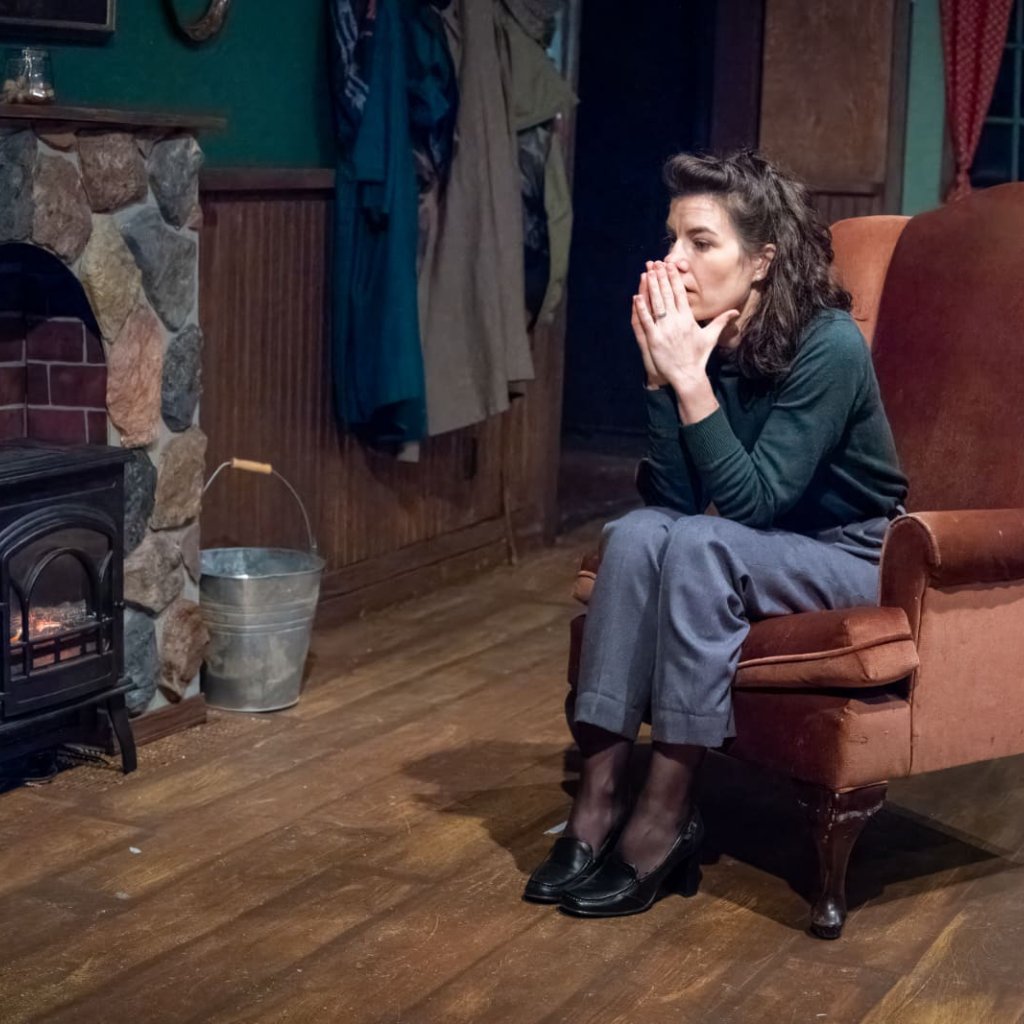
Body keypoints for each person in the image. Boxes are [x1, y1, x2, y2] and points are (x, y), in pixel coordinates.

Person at [524, 150, 908, 917]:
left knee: (702, 545)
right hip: (757, 541)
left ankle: (667, 816)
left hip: (853, 551)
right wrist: (663, 382)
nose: (674, 262)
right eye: (673, 240)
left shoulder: (828, 345)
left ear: (762, 259)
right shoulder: (705, 335)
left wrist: (688, 382)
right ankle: (599, 800)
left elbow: (750, 506)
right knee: (637, 533)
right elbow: (675, 497)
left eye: (701, 242)